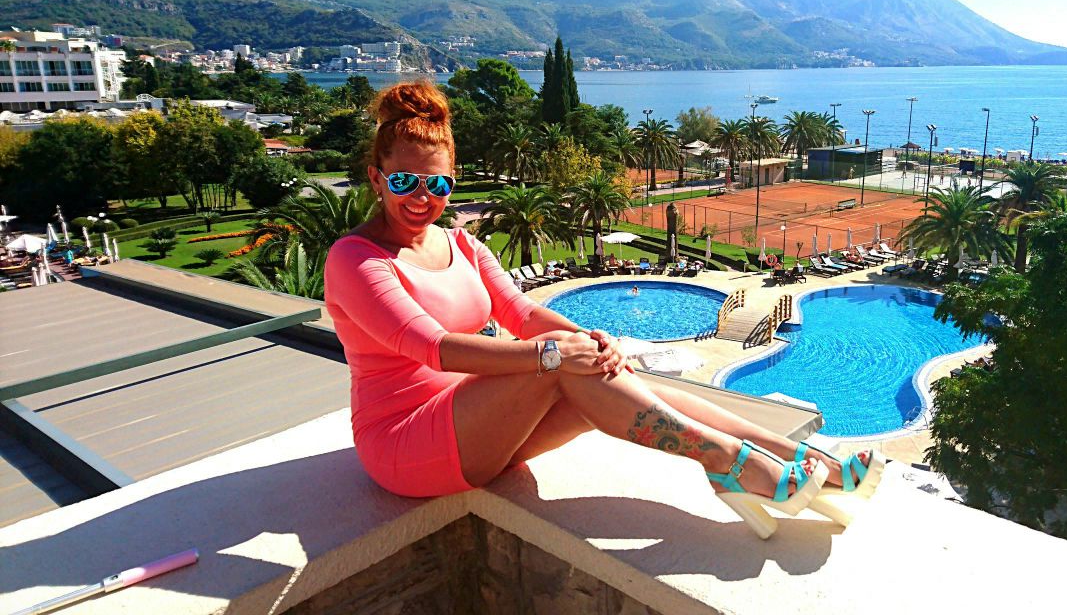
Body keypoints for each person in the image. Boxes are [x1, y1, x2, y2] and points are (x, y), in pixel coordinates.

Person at [324, 81, 882, 539]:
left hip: (483, 426)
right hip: (406, 444)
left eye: (439, 183)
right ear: (376, 177)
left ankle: (792, 453)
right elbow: (434, 348)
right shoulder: (357, 259)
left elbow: (522, 313)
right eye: (405, 181)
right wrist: (553, 355)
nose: (423, 196)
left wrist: (592, 339)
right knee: (562, 362)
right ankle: (731, 463)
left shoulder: (462, 245)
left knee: (611, 370)